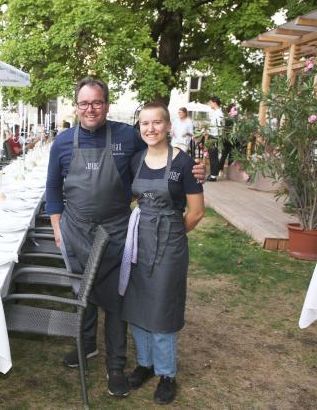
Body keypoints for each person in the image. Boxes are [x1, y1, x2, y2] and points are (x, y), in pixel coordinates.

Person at [46, 77, 205, 398]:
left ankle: (116, 366)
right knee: (82, 293)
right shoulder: (62, 142)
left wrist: (195, 169)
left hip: (116, 232)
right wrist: (56, 228)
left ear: (106, 104)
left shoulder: (126, 136)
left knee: (116, 301)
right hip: (74, 230)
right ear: (76, 106)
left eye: (97, 102)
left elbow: (159, 157)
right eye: (84, 103)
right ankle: (86, 345)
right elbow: (52, 188)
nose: (90, 108)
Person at [119, 103, 204, 404]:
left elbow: (196, 212)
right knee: (138, 302)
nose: (151, 129)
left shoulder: (184, 163)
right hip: (139, 239)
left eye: (157, 123)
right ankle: (145, 363)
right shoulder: (135, 160)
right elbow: (129, 196)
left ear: (168, 126)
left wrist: (171, 232)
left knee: (163, 306)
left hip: (169, 241)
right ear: (139, 127)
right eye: (145, 123)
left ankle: (167, 373)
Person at [205, 96, 224, 181]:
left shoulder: (219, 113)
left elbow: (219, 126)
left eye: (210, 102)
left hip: (215, 136)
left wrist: (209, 129)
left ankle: (213, 176)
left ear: (215, 103)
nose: (209, 104)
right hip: (211, 135)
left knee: (214, 156)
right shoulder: (214, 112)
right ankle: (212, 173)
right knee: (211, 156)